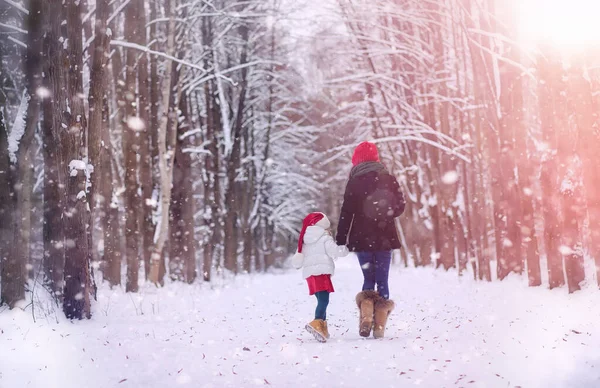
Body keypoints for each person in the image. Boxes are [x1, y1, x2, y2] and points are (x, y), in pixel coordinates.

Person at [335, 141, 405, 338]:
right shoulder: (388, 179)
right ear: (376, 158)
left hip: (361, 237)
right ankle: (379, 326)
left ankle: (366, 316)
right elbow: (400, 207)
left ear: (357, 160)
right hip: (385, 237)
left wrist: (341, 238)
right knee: (382, 279)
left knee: (368, 278)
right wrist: (386, 210)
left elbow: (346, 212)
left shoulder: (354, 181)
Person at [292, 212, 349, 342]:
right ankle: (317, 323)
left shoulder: (304, 238)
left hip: (310, 274)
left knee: (321, 300)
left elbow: (298, 259)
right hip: (321, 272)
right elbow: (334, 251)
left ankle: (322, 328)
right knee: (324, 301)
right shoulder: (324, 237)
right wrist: (345, 249)